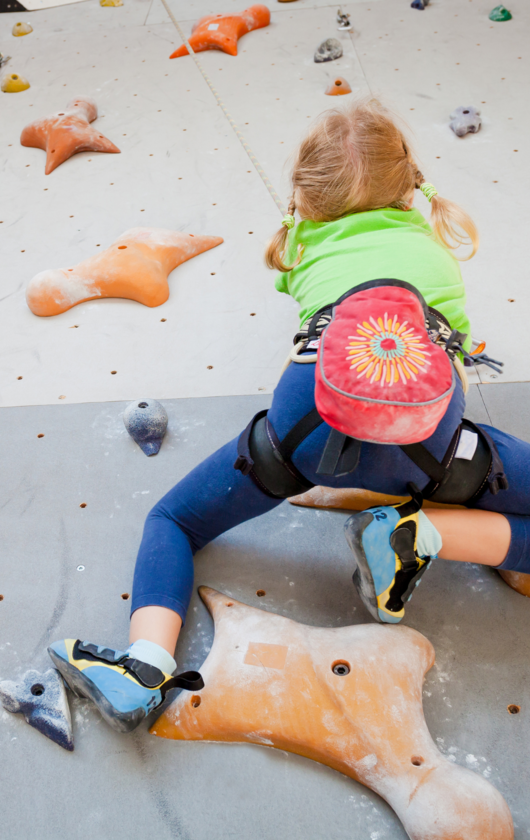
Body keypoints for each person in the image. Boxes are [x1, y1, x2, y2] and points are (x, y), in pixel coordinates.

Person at [48, 101, 529, 732]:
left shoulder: (302, 247)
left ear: (304, 199)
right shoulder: (433, 250)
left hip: (302, 426)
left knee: (172, 519)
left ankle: (145, 666)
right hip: (425, 441)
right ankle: (422, 536)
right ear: (412, 184)